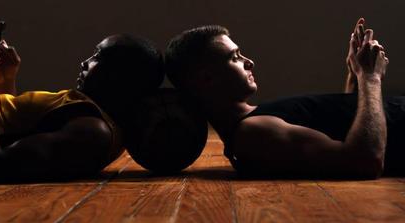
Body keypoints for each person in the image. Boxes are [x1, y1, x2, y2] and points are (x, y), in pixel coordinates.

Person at [165, 18, 403, 179]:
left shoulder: (255, 122)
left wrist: (354, 75)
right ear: (207, 79)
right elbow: (364, 161)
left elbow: (344, 127)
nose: (250, 62)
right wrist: (370, 78)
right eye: (234, 57)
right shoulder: (253, 132)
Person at [0, 30, 164, 182]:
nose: (85, 62)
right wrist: (6, 80)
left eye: (98, 57)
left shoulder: (95, 131)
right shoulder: (89, 112)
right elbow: (7, 128)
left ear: (120, 79)